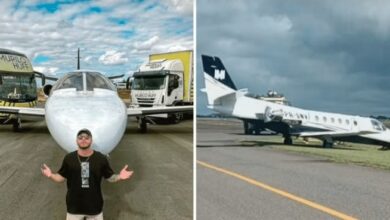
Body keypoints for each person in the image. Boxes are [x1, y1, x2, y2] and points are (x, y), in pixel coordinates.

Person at [41, 128, 133, 220]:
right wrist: (51, 175)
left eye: (87, 137)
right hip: (74, 208)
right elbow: (61, 177)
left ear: (91, 140)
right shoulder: (69, 158)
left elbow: (110, 177)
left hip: (94, 208)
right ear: (76, 141)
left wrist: (120, 177)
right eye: (80, 138)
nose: (83, 140)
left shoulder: (100, 159)